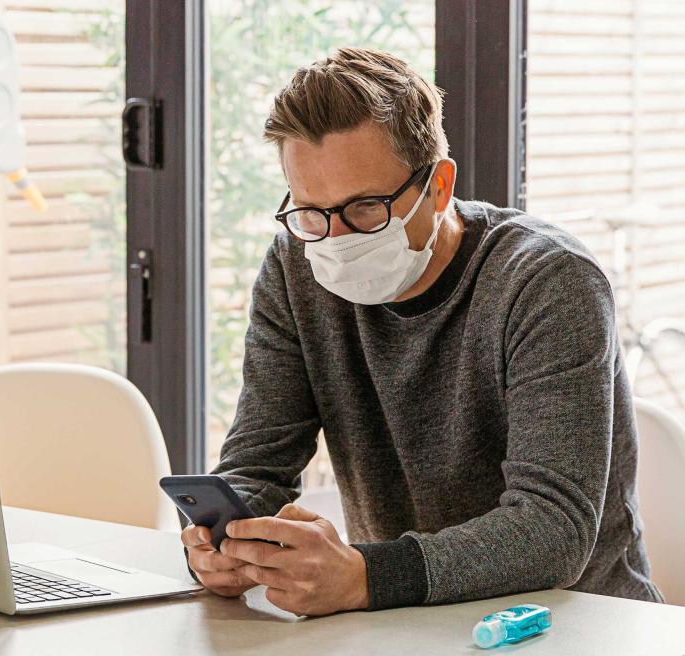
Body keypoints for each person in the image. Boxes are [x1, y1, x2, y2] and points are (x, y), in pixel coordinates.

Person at [181, 47, 663, 616]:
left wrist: (366, 576)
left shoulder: (549, 281)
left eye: (365, 208)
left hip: (577, 625)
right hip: (403, 620)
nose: (337, 238)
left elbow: (552, 531)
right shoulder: (295, 267)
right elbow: (260, 460)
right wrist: (224, 542)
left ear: (437, 187)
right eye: (312, 211)